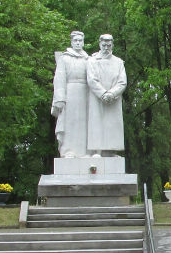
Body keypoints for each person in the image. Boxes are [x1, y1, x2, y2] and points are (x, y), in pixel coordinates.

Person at [51, 30, 91, 158]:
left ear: (83, 42)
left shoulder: (88, 59)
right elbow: (59, 78)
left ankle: (84, 151)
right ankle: (68, 150)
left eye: (80, 40)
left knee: (84, 122)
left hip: (85, 93)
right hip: (70, 92)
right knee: (70, 122)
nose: (78, 43)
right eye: (76, 40)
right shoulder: (65, 58)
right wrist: (60, 98)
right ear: (72, 42)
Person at [86, 33, 127, 156]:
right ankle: (96, 149)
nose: (106, 48)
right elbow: (91, 79)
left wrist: (112, 94)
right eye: (104, 45)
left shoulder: (119, 62)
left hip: (113, 99)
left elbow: (122, 82)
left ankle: (110, 150)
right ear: (100, 44)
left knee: (112, 124)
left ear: (112, 45)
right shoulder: (92, 61)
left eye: (109, 45)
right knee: (96, 122)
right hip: (97, 97)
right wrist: (103, 93)